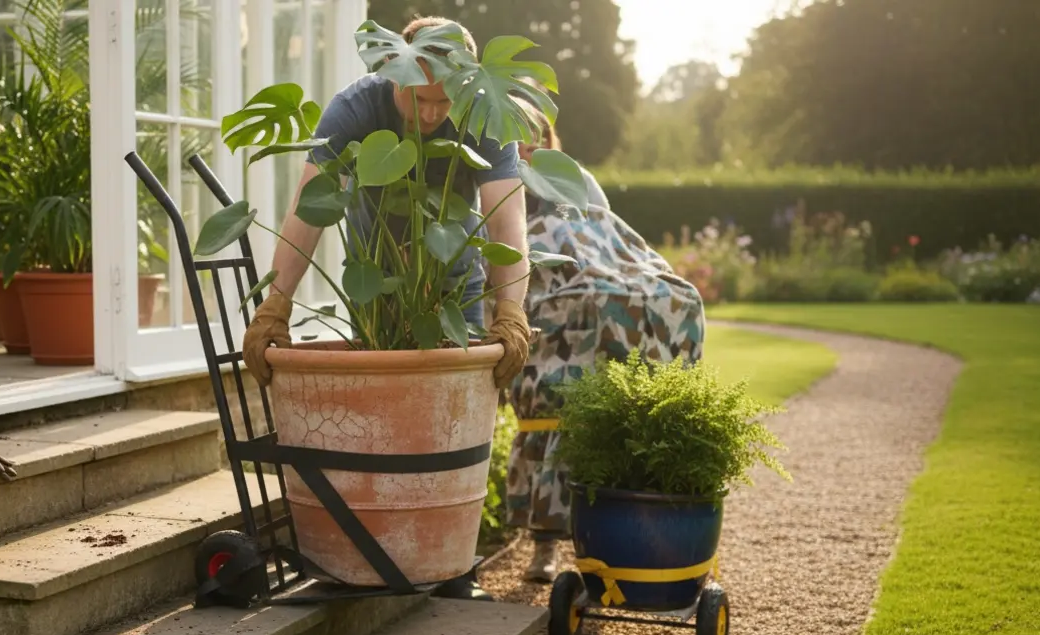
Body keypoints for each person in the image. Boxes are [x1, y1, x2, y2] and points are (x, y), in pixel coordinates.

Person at [241, 16, 534, 601]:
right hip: (377, 295)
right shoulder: (354, 109)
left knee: (452, 427)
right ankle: (382, 551)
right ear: (389, 69)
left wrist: (511, 313)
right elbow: (310, 208)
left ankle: (451, 562)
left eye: (443, 99)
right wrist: (277, 304)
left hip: (453, 297)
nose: (430, 113)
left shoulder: (485, 115)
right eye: (417, 97)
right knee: (386, 432)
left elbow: (506, 217)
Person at [505, 99, 708, 583]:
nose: (526, 145)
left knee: (676, 298)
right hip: (544, 298)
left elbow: (606, 237)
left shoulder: (577, 177)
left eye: (534, 134)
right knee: (555, 411)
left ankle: (618, 538)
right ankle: (545, 549)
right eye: (516, 136)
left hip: (592, 290)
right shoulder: (497, 179)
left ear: (547, 138)